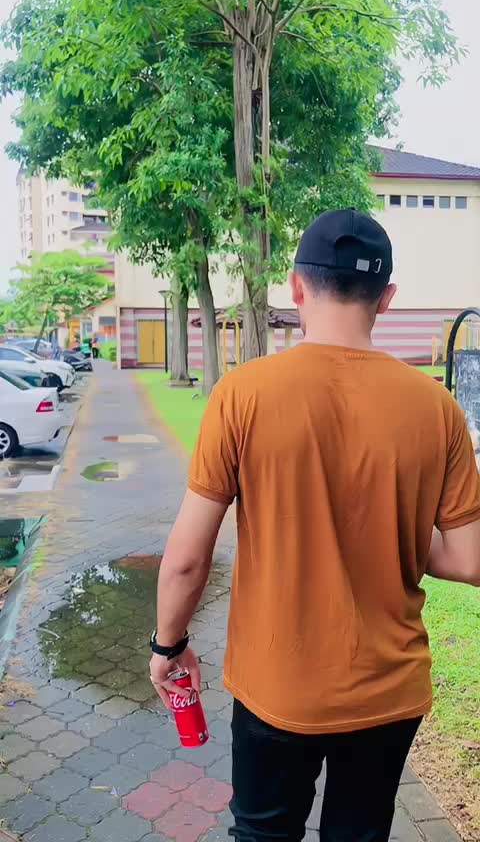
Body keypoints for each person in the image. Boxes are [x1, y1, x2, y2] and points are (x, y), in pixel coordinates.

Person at [149, 209, 480, 842]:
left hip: (277, 685)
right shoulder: (436, 407)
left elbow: (188, 559)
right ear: (386, 298)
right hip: (387, 690)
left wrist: (168, 645)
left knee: (264, 834)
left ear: (297, 287)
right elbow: (470, 560)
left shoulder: (242, 394)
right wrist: (392, 531)